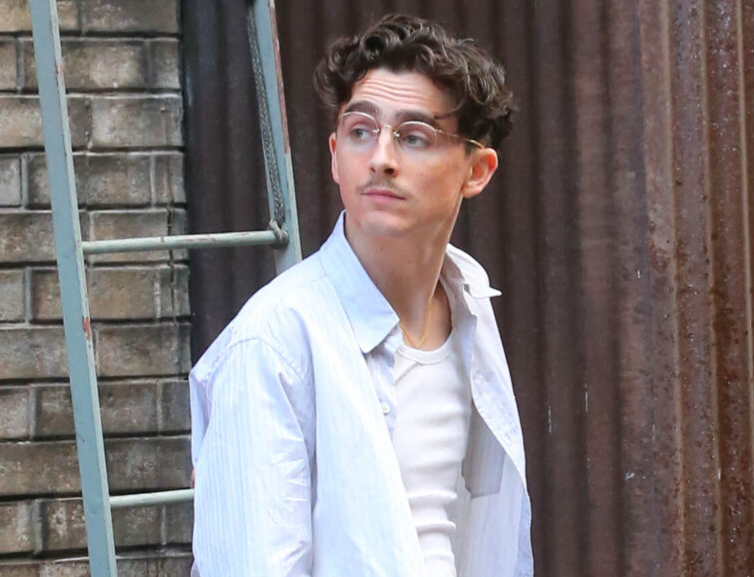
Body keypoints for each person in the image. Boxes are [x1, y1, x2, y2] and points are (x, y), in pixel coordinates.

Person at [189, 13, 532, 577]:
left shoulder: (468, 302)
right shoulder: (273, 343)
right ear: (334, 155)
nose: (381, 158)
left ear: (477, 170)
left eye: (414, 137)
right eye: (361, 131)